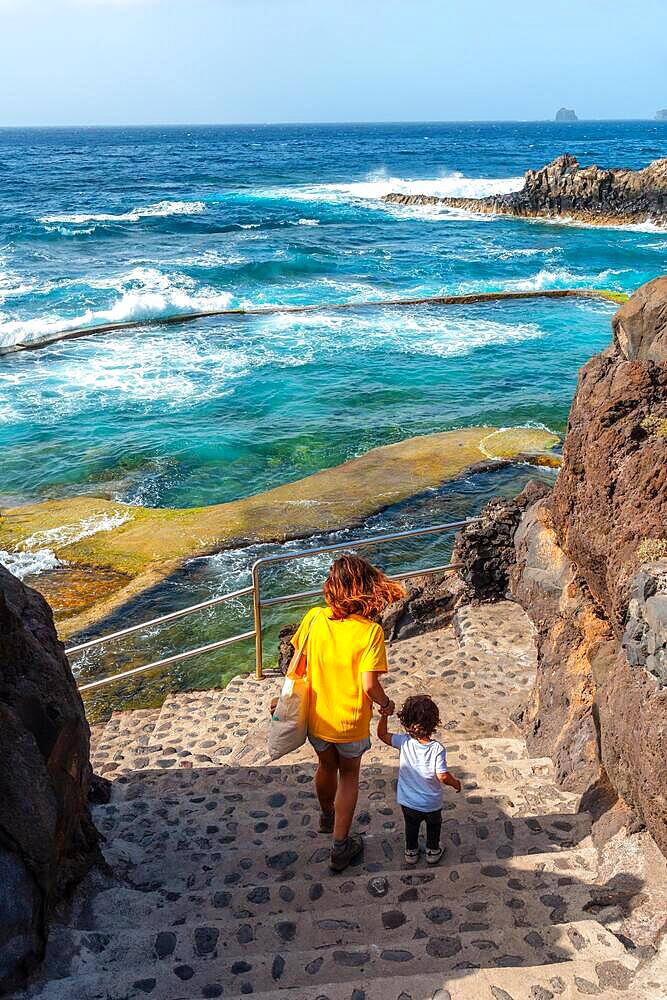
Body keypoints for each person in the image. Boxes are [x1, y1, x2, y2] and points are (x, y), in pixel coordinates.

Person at [289, 553, 404, 872]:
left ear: (333, 588)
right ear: (366, 589)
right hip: (351, 722)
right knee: (349, 775)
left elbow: (297, 663)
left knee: (325, 766)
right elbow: (369, 685)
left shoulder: (314, 618)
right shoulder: (370, 633)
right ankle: (340, 846)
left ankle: (327, 817)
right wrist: (385, 703)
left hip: (317, 717)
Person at [377, 693, 462, 865]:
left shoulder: (403, 742)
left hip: (408, 802)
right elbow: (442, 776)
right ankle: (432, 850)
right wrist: (455, 783)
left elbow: (382, 734)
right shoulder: (437, 749)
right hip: (431, 802)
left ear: (406, 721)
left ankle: (411, 852)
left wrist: (384, 716)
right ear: (433, 722)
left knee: (411, 826)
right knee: (433, 825)